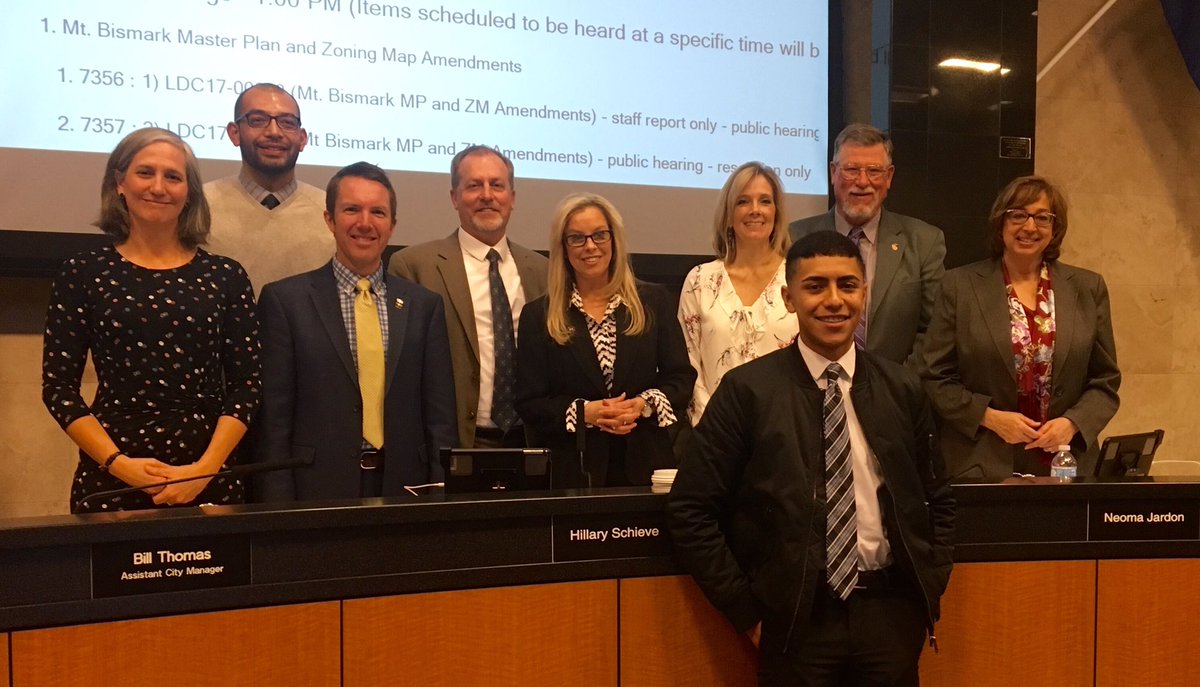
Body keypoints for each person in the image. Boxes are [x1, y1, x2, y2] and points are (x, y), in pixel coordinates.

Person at [667, 231, 954, 686]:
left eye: (847, 285)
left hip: (889, 618)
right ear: (789, 297)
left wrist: (925, 594)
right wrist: (746, 613)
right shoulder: (748, 392)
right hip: (795, 624)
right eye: (816, 286)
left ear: (864, 292)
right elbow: (690, 509)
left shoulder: (902, 388)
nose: (834, 301)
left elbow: (937, 498)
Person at [41, 128, 260, 513]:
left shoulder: (226, 276)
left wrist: (205, 470)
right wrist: (118, 464)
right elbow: (58, 388)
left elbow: (246, 386)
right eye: (146, 173)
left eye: (173, 177)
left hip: (208, 476)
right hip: (111, 476)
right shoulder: (83, 272)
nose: (159, 187)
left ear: (189, 192)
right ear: (119, 183)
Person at [255, 162, 456, 501]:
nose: (365, 223)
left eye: (378, 212)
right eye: (352, 210)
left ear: (392, 225)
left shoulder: (424, 306)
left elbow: (440, 419)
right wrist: (277, 503)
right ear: (329, 220)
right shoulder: (285, 302)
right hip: (316, 489)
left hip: (406, 486)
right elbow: (274, 422)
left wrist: (440, 490)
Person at [920, 175, 1120, 480]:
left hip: (1066, 464)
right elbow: (934, 377)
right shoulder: (958, 286)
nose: (1029, 227)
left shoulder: (1087, 288)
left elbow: (1105, 380)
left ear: (1055, 229)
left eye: (1042, 217)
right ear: (1000, 223)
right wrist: (989, 418)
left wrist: (1074, 423)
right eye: (1018, 215)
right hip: (981, 463)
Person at [515, 194, 695, 488]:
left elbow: (681, 380)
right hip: (573, 472)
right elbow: (529, 402)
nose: (590, 246)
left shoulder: (654, 301)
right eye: (576, 238)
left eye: (599, 235)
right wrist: (587, 414)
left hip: (647, 467)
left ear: (614, 240)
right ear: (563, 247)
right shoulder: (538, 315)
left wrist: (641, 405)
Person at [389, 145, 548, 448]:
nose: (487, 195)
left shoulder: (543, 272)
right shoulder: (414, 267)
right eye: (474, 185)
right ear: (454, 197)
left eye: (497, 185)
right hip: (456, 443)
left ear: (512, 198)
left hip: (532, 441)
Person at [789, 123, 946, 365]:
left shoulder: (924, 242)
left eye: (874, 171)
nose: (863, 182)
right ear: (833, 172)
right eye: (851, 169)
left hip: (895, 393)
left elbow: (934, 331)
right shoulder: (795, 237)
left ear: (889, 176)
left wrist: (897, 384)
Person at [678, 162, 797, 425]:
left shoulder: (799, 278)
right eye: (743, 201)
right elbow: (688, 366)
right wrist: (715, 428)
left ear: (776, 212)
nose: (755, 210)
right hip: (715, 435)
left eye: (765, 201)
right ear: (728, 214)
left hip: (788, 432)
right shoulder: (699, 280)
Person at [204, 83, 333, 294]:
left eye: (287, 122)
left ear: (302, 139)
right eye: (258, 120)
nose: (274, 132)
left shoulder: (331, 212)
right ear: (234, 133)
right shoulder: (199, 206)